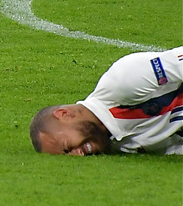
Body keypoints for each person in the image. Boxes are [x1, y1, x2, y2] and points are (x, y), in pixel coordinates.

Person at [29, 47, 183, 155]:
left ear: (65, 115)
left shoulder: (123, 82)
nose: (77, 155)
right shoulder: (124, 146)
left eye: (68, 147)